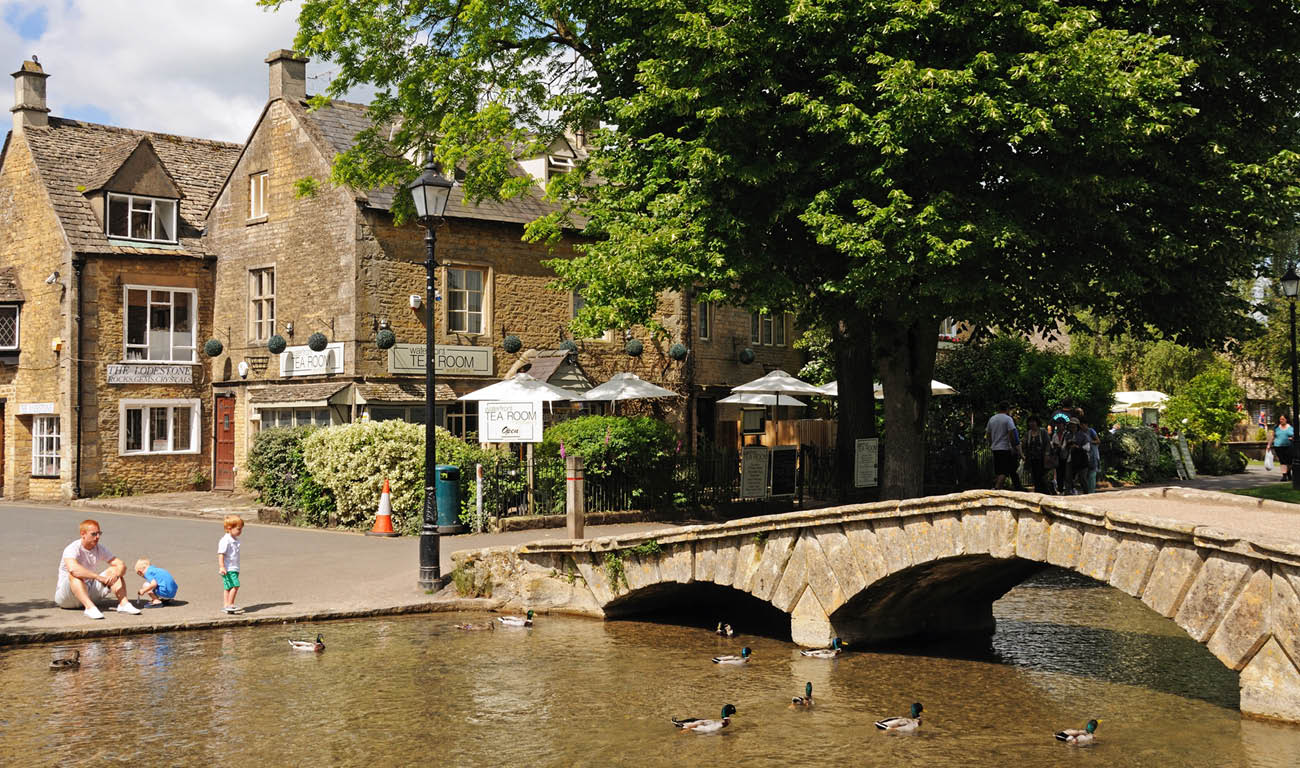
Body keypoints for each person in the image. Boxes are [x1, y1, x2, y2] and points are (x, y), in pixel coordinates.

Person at [54, 519, 142, 619]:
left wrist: (116, 574)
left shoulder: (99, 548)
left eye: (99, 533)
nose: (98, 537)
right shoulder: (72, 548)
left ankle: (123, 604)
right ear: (83, 534)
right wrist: (98, 577)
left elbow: (121, 565)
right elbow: (74, 569)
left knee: (115, 570)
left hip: (89, 591)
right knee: (74, 575)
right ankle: (90, 608)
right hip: (67, 598)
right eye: (94, 534)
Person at [986, 402, 1024, 491]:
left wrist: (992, 444)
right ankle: (996, 488)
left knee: (999, 470)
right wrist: (1014, 447)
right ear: (1007, 409)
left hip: (995, 448)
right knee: (1004, 471)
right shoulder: (1008, 419)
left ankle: (999, 487)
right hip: (1005, 448)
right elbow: (1011, 433)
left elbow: (988, 434)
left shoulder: (992, 419)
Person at [218, 515, 244, 614]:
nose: (240, 531)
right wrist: (222, 566)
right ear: (229, 528)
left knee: (228, 587)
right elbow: (221, 554)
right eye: (238, 529)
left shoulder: (235, 540)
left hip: (234, 567)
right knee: (236, 585)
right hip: (229, 568)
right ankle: (230, 604)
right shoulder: (226, 540)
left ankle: (226, 605)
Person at [1023, 415, 1051, 493]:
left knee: (1041, 476)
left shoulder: (1043, 432)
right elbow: (1025, 446)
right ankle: (1038, 491)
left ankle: (1046, 492)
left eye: (1033, 422)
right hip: (1032, 459)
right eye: (1030, 422)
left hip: (1042, 458)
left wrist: (1047, 454)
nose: (1032, 424)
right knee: (1034, 477)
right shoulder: (1028, 434)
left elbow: (1047, 444)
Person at [1274, 415, 1295, 482]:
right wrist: (1268, 445)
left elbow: (1296, 435)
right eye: (1280, 419)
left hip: (1289, 446)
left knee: (1289, 462)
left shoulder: (1291, 427)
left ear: (1286, 419)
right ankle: (1284, 476)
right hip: (1278, 446)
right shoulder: (1276, 427)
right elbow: (1273, 436)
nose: (1281, 420)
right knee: (1282, 461)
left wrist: (1292, 438)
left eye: (1282, 419)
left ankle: (1288, 473)